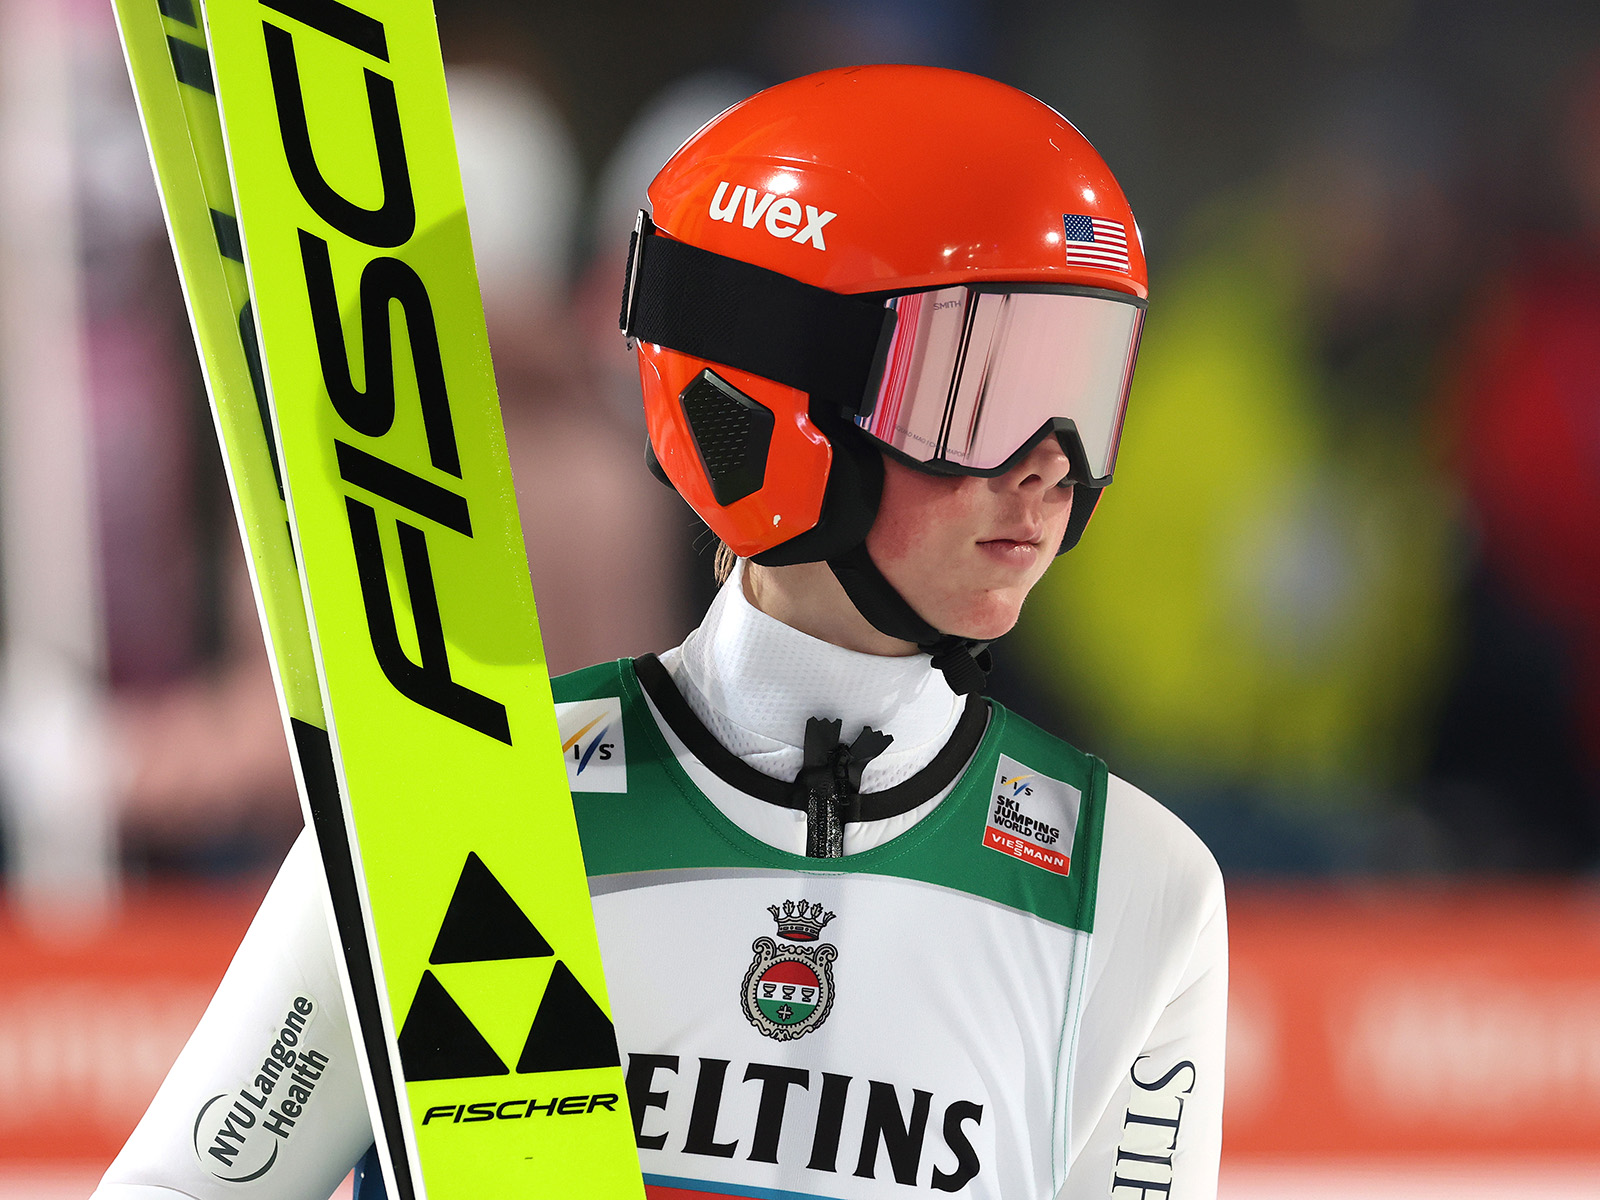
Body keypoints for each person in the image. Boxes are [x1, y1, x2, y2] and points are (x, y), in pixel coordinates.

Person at [93, 66, 1226, 1200]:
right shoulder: (455, 808)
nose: (1048, 464)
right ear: (774, 398)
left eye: (1082, 385)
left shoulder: (1129, 885)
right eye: (981, 386)